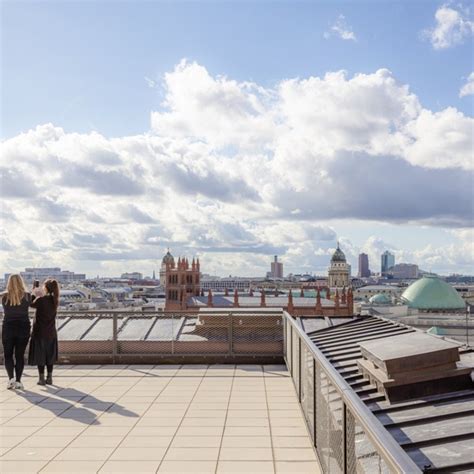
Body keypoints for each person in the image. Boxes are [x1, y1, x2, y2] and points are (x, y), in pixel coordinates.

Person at [1, 274, 31, 390]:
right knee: (19, 355)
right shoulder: (27, 296)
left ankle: (11, 379)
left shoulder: (4, 297)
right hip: (23, 327)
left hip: (8, 327)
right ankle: (18, 381)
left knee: (8, 355)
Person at [28, 279, 59, 385]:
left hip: (40, 332)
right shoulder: (55, 300)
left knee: (40, 355)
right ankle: (49, 377)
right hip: (51, 332)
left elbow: (30, 304)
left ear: (46, 288)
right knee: (49, 356)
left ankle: (41, 379)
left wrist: (34, 291)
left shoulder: (41, 300)